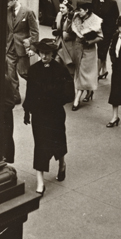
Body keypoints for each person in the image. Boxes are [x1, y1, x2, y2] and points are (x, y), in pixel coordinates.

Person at [23, 39, 75, 195]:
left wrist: (55, 100)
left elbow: (69, 93)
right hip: (39, 114)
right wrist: (27, 110)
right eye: (42, 53)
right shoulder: (33, 70)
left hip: (55, 114)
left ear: (53, 53)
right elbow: (30, 92)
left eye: (47, 53)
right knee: (40, 145)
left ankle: (61, 164)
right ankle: (40, 181)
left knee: (58, 141)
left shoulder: (60, 70)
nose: (44, 56)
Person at [6, 0, 39, 103]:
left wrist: (33, 48)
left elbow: (34, 31)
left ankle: (37, 91)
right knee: (11, 75)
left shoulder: (28, 12)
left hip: (22, 49)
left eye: (8, 0)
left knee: (24, 73)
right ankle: (16, 97)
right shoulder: (7, 11)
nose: (6, 3)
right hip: (10, 48)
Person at [70, 1, 103, 109]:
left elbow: (101, 37)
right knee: (79, 72)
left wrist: (89, 41)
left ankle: (76, 99)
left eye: (80, 10)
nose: (78, 12)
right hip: (78, 48)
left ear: (87, 10)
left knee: (83, 74)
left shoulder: (95, 20)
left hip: (89, 50)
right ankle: (89, 91)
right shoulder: (76, 17)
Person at [91, 0, 119, 79]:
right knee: (100, 49)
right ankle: (104, 70)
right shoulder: (94, 1)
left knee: (102, 51)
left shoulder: (112, 3)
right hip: (96, 30)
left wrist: (112, 30)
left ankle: (97, 73)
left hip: (107, 31)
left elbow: (115, 17)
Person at [52, 0, 76, 75]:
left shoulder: (73, 17)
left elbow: (74, 32)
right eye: (60, 8)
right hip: (59, 43)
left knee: (68, 68)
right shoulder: (59, 15)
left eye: (63, 8)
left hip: (69, 45)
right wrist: (56, 31)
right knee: (56, 63)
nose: (61, 10)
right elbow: (55, 26)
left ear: (68, 9)